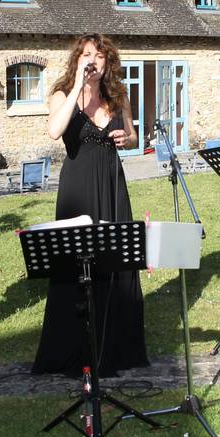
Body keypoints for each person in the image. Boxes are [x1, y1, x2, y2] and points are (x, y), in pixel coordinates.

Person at [32, 33, 150, 378]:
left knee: (117, 258)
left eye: (98, 56)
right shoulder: (60, 94)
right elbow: (55, 131)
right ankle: (75, 346)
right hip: (79, 186)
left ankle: (117, 345)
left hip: (112, 182)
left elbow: (132, 137)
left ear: (107, 61)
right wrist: (76, 91)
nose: (92, 61)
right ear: (77, 60)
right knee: (76, 263)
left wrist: (124, 138)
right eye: (86, 55)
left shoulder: (118, 96)